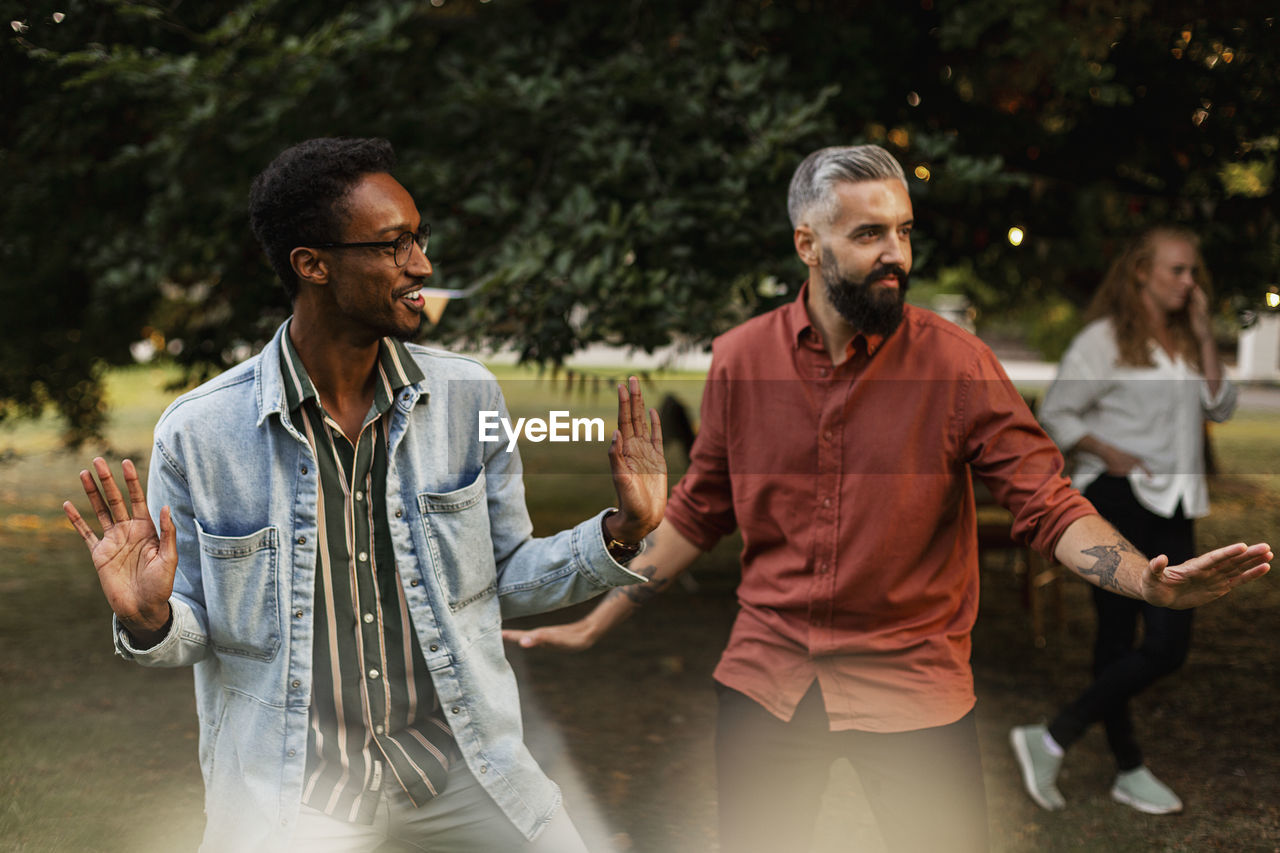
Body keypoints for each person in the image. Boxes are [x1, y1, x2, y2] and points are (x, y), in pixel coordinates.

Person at [501, 145, 1272, 853]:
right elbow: (701, 512)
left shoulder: (956, 364)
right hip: (768, 683)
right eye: (870, 234)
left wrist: (1145, 579)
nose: (895, 254)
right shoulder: (741, 359)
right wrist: (597, 618)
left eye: (904, 231)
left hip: (913, 691)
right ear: (808, 243)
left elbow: (1046, 500)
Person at [62, 137, 668, 853]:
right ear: (312, 264)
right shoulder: (200, 433)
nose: (423, 266)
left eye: (420, 239)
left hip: (463, 771)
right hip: (297, 796)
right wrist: (151, 618)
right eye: (394, 244)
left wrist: (623, 530)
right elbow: (192, 631)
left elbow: (503, 577)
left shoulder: (468, 397)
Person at [1010, 226, 1236, 816]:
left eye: (1193, 273)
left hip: (1176, 503)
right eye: (1176, 271)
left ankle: (1054, 736)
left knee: (1167, 645)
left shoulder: (1187, 340)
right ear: (1141, 271)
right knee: (1119, 641)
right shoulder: (1103, 340)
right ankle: (1128, 765)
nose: (1189, 282)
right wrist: (1108, 452)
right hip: (1118, 499)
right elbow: (1056, 411)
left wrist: (1207, 330)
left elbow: (1221, 404)